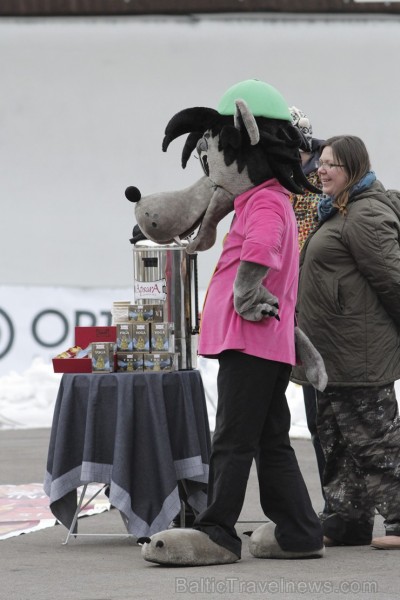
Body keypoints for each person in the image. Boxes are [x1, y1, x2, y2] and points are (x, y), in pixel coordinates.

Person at [291, 135, 400, 549]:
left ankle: (399, 521)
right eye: (321, 162)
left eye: (332, 164)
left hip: (361, 353)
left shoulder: (365, 214)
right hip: (331, 353)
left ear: (353, 168)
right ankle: (346, 520)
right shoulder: (336, 210)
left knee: (377, 440)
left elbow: (393, 282)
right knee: (337, 439)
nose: (321, 169)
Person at [289, 106, 327, 497]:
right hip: (292, 313)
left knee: (328, 417)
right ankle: (335, 509)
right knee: (315, 419)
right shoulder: (276, 184)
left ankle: (343, 510)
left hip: (319, 315)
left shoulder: (322, 185)